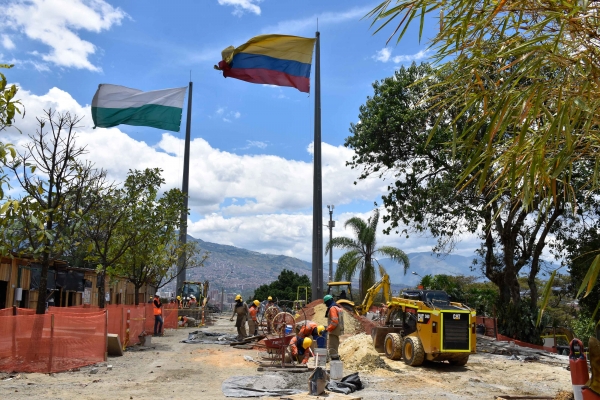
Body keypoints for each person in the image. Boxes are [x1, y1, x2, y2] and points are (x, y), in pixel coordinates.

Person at [324, 294, 344, 359]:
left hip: (334, 330)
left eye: (326, 303)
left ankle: (334, 359)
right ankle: (335, 357)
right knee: (335, 344)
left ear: (328, 301)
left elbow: (334, 322)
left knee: (332, 345)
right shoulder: (337, 307)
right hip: (338, 329)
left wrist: (327, 329)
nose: (326, 305)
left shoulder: (332, 308)